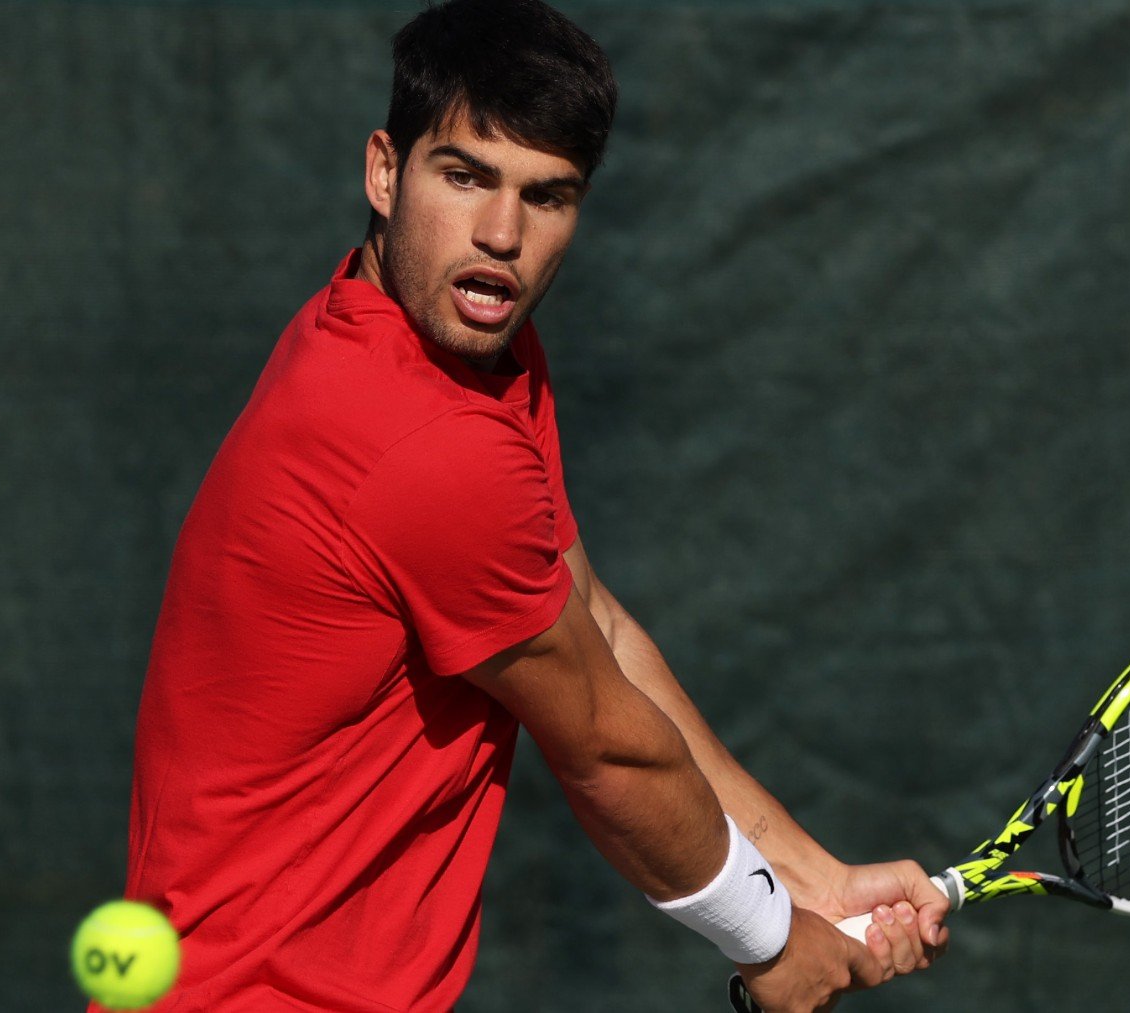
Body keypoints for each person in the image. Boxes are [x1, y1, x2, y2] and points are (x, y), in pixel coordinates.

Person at [113, 2, 950, 1010]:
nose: (503, 235)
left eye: (547, 196)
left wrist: (815, 880)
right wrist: (774, 941)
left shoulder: (466, 353)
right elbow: (602, 747)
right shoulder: (422, 441)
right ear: (384, 172)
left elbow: (590, 624)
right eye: (464, 176)